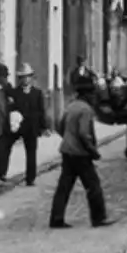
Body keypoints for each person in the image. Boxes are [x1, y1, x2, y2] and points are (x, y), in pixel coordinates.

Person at [49, 77, 115, 229]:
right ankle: (98, 218)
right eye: (92, 94)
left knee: (64, 187)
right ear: (87, 95)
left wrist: (68, 139)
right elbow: (84, 133)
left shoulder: (71, 106)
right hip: (81, 154)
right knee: (93, 186)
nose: (94, 96)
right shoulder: (86, 110)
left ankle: (56, 218)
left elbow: (59, 126)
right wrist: (93, 150)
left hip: (67, 152)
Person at [14, 64, 48, 186]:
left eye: (28, 77)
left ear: (31, 78)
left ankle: (30, 177)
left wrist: (43, 127)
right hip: (19, 126)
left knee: (31, 153)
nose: (26, 79)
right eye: (23, 77)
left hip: (32, 127)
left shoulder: (37, 93)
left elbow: (41, 110)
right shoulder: (16, 92)